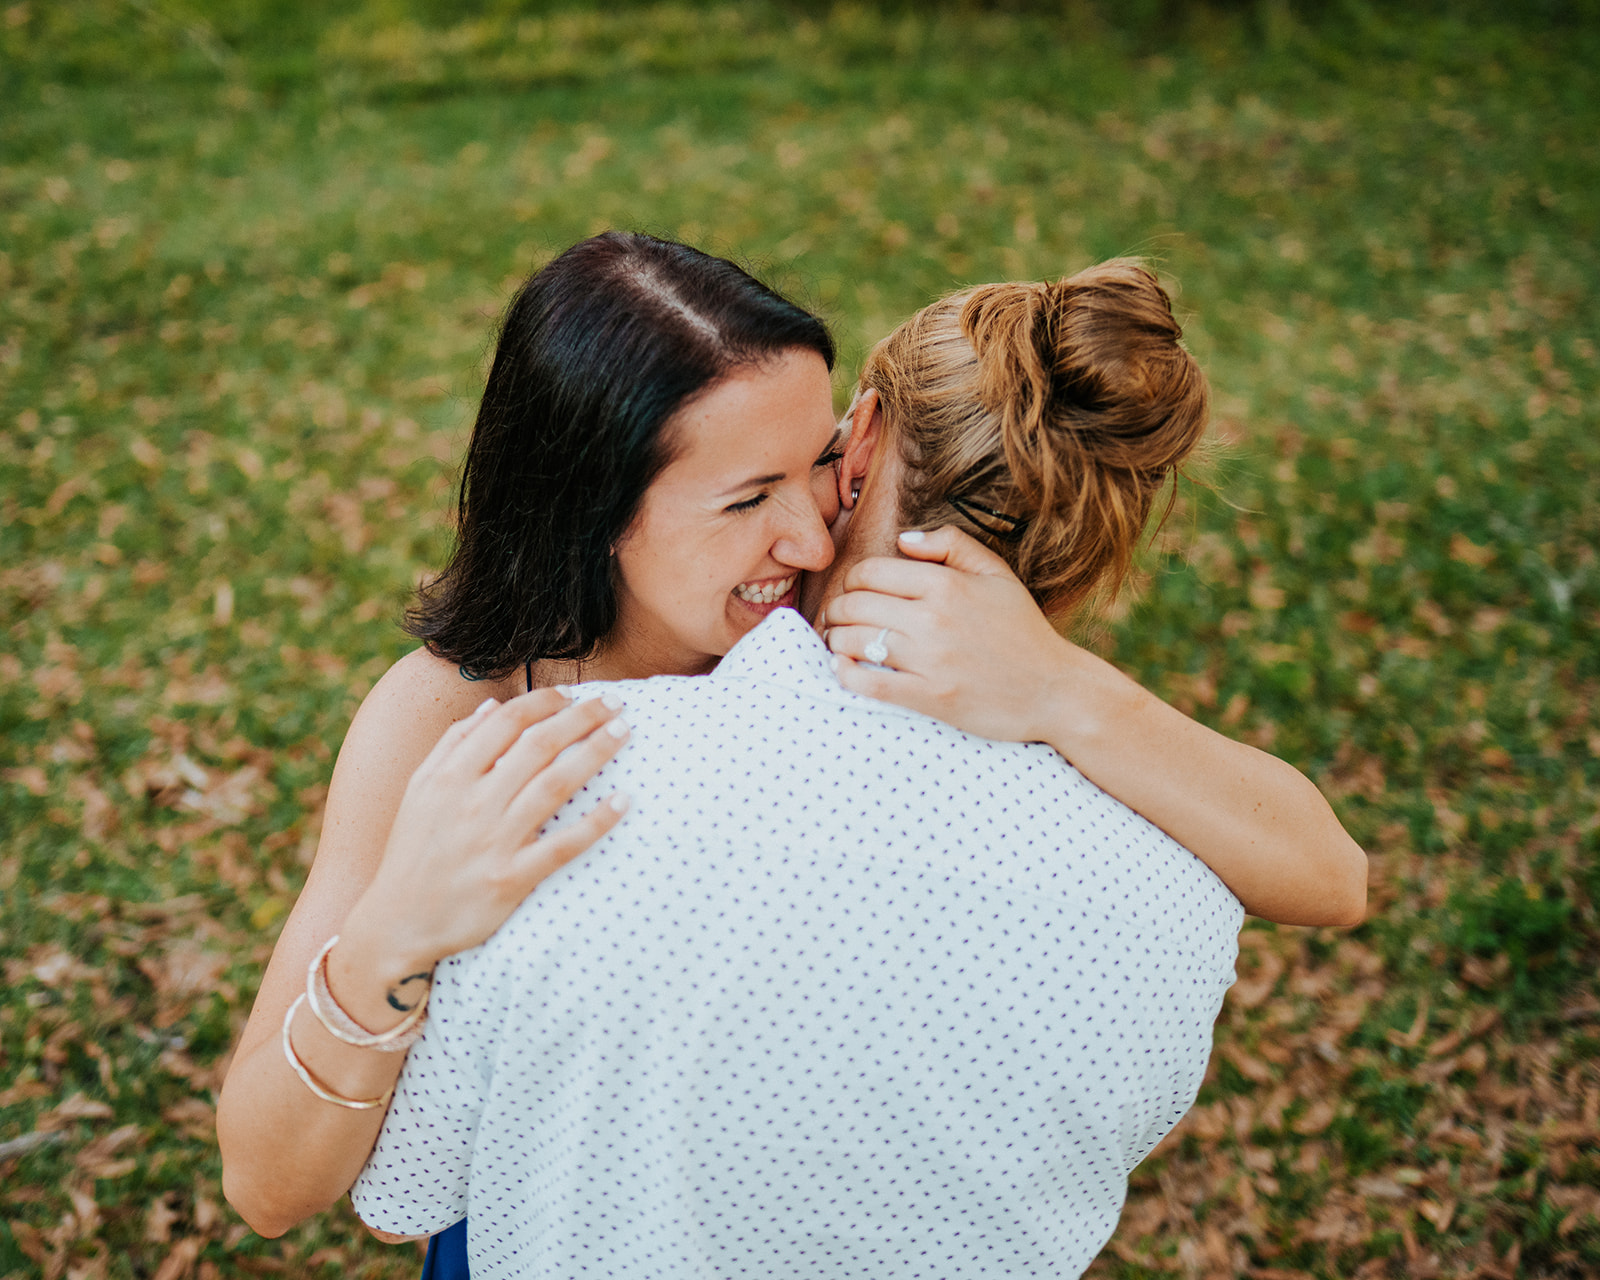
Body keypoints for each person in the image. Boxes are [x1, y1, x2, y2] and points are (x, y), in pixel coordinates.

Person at [217, 235, 1363, 1245]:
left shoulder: (917, 670)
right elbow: (267, 1185)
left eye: (819, 464)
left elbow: (1327, 872)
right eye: (744, 497)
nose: (816, 535)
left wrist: (1065, 688)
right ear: (593, 507)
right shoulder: (445, 715)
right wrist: (393, 935)